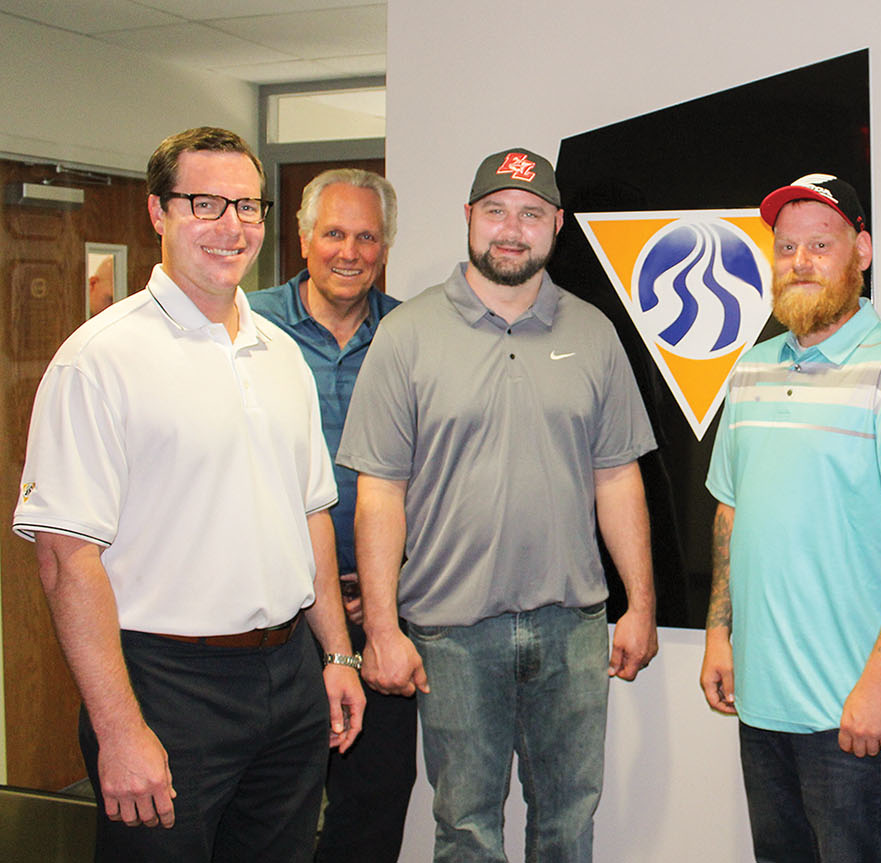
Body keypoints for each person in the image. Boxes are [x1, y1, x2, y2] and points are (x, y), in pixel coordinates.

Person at [12, 126, 364, 862]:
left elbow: (311, 516)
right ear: (157, 213)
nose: (230, 226)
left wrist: (337, 656)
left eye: (246, 205)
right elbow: (66, 559)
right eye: (206, 203)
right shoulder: (100, 361)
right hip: (167, 687)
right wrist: (118, 729)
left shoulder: (281, 356)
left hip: (288, 677)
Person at [337, 147, 659, 862]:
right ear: (469, 218)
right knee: (465, 829)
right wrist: (383, 630)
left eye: (531, 214)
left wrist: (637, 603)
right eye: (496, 212)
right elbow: (379, 494)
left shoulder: (593, 333)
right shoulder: (407, 335)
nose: (511, 229)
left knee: (568, 822)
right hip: (451, 633)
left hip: (572, 628)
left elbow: (617, 478)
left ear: (556, 224)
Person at [699, 173, 881, 862]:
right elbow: (730, 508)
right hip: (763, 701)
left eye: (821, 244)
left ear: (863, 250)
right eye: (786, 248)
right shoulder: (751, 371)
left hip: (853, 713)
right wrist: (719, 633)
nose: (800, 263)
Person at [248, 168, 414, 863]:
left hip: (383, 609)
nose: (350, 252)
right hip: (275, 617)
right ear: (303, 236)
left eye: (367, 236)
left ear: (386, 245)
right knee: (268, 806)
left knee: (373, 805)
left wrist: (379, 595)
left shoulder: (411, 334)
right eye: (335, 233)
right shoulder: (245, 325)